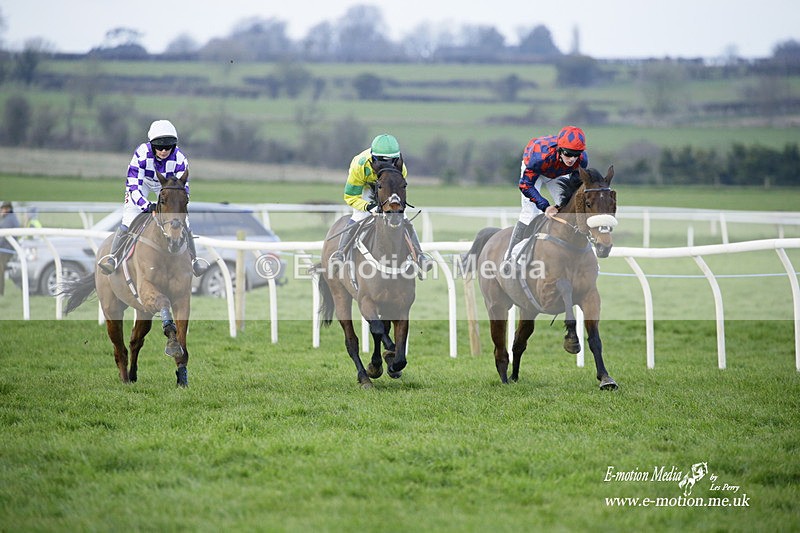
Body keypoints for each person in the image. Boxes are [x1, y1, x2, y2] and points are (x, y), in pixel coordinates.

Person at [97, 120, 208, 277]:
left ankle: (193, 260)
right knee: (128, 219)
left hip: (166, 188)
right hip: (143, 184)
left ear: (174, 146)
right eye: (159, 146)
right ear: (152, 145)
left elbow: (183, 190)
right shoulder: (141, 154)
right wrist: (146, 205)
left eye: (167, 146)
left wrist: (178, 207)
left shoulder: (180, 159)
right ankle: (113, 258)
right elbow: (133, 186)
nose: (163, 150)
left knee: (184, 221)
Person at [329, 133, 432, 273]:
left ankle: (420, 256)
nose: (388, 165)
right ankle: (340, 254)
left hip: (387, 187)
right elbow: (350, 197)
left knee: (403, 217)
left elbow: (399, 191)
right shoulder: (359, 166)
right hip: (365, 185)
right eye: (383, 162)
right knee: (360, 216)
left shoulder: (401, 168)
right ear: (374, 158)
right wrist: (368, 206)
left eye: (391, 162)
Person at [501, 125, 589, 272]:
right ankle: (510, 258)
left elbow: (573, 189)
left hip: (557, 172)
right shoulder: (539, 157)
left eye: (576, 154)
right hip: (535, 171)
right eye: (568, 154)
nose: (572, 159)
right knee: (530, 213)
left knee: (568, 209)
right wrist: (545, 206)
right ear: (560, 150)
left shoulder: (582, 160)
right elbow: (525, 185)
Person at [0, 201, 21, 296]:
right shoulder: (10, 218)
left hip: (6, 250)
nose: (1, 211)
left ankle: (1, 292)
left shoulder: (8, 220)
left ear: (8, 209)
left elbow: (3, 237)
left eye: (3, 209)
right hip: (8, 248)